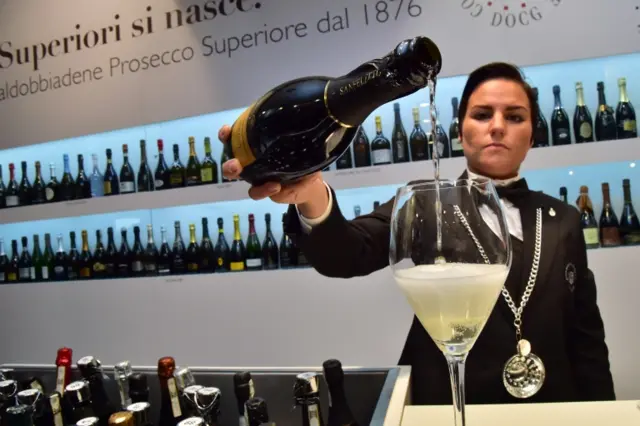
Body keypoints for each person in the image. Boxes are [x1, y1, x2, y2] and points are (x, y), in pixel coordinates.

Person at [217, 62, 616, 405]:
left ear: (532, 134)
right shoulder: (426, 202)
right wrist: (310, 195)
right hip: (446, 405)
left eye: (514, 116)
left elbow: (586, 337)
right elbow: (347, 253)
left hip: (551, 407)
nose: (497, 126)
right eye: (482, 115)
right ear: (460, 131)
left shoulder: (562, 217)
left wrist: (603, 412)